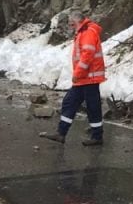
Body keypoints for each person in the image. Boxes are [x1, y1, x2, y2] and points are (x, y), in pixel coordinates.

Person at [41, 11, 106, 146]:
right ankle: (61, 133)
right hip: (85, 78)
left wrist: (78, 73)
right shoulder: (83, 32)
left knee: (92, 107)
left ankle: (97, 137)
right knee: (69, 103)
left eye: (71, 21)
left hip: (88, 78)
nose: (69, 24)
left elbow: (87, 55)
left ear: (76, 20)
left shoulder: (87, 32)